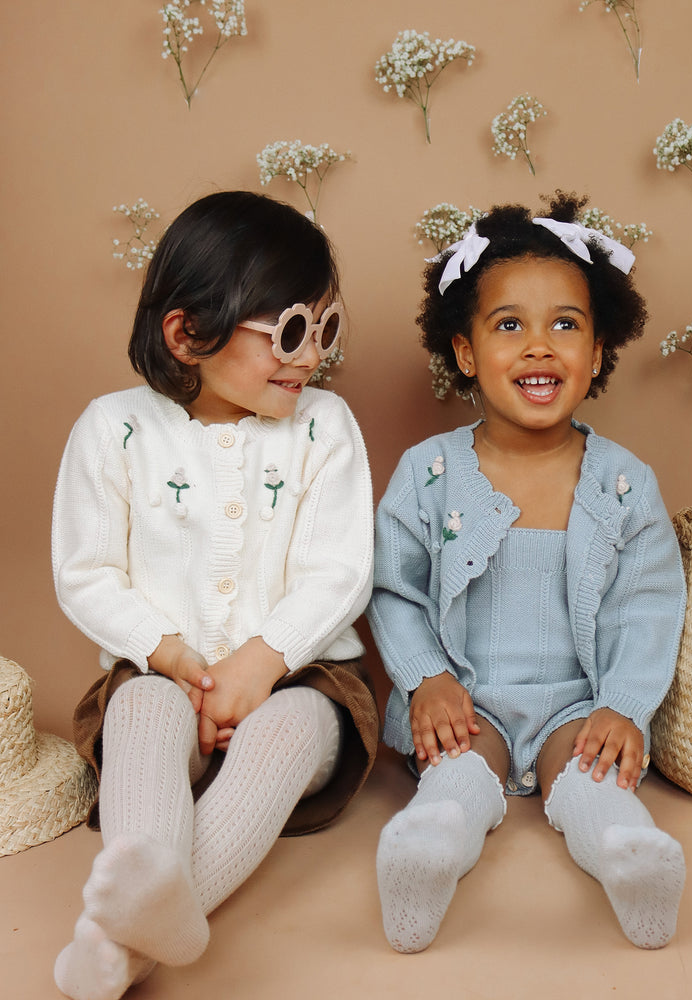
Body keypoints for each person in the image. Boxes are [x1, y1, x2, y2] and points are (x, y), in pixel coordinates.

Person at [51, 191, 378, 1000]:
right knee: (140, 712)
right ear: (188, 333)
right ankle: (145, 913)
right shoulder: (112, 429)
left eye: (326, 329)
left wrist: (261, 663)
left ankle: (121, 947)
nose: (311, 356)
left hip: (301, 681)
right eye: (291, 332)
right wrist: (170, 656)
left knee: (285, 733)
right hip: (160, 673)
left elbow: (339, 569)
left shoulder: (325, 427)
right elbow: (86, 571)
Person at [367, 192, 687, 953]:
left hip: (576, 703)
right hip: (463, 700)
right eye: (510, 325)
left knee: (591, 771)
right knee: (456, 770)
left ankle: (628, 854)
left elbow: (648, 605)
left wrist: (623, 706)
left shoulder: (623, 483)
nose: (539, 347)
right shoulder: (430, 472)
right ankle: (428, 848)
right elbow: (393, 588)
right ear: (465, 352)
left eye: (565, 325)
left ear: (598, 352)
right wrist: (426, 679)